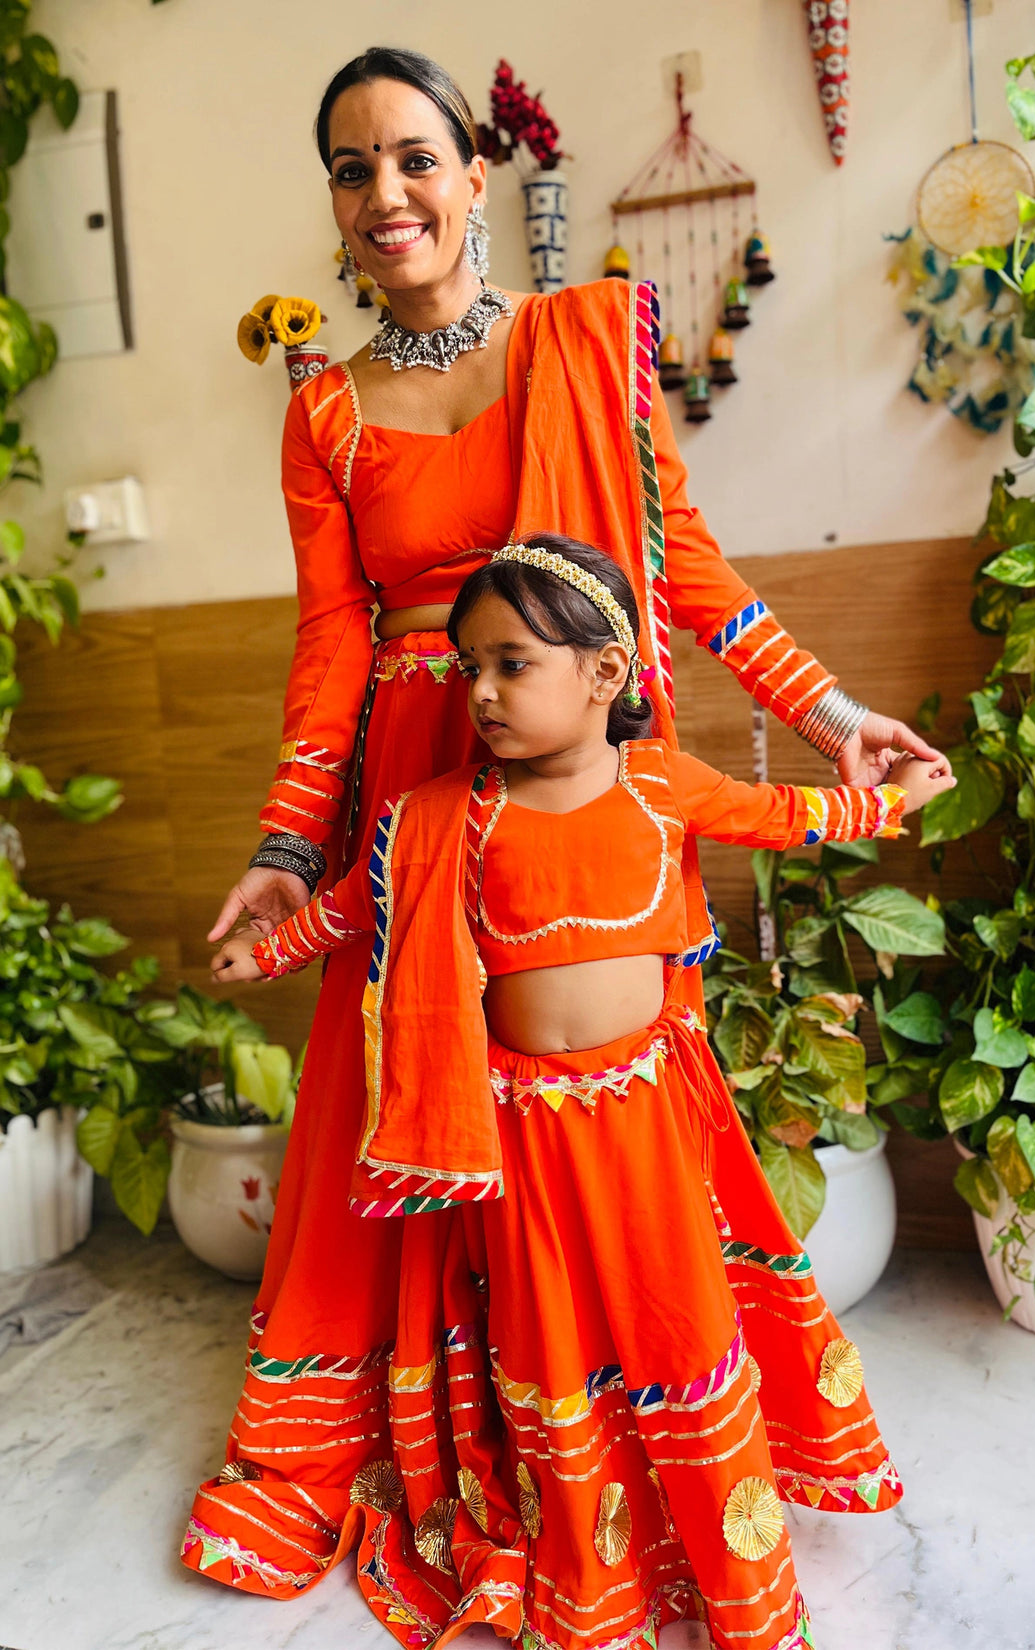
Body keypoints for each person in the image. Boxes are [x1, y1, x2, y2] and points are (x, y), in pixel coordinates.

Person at [184, 40, 946, 1636]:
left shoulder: (582, 344)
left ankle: (630, 1432)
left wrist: (830, 720)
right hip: (412, 801)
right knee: (419, 1121)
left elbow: (684, 568)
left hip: (575, 787)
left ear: (474, 173)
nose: (384, 192)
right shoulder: (321, 412)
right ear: (333, 203)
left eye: (411, 157)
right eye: (350, 167)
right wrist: (287, 843)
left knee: (608, 1132)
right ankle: (482, 1434)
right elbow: (334, 648)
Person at [206, 538, 953, 1650]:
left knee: (677, 1328)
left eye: (512, 664)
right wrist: (265, 954)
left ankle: (737, 1583)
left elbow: (779, 816)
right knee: (550, 1344)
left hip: (645, 1119)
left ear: (605, 674)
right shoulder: (438, 817)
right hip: (516, 1139)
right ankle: (590, 1579)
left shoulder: (656, 784)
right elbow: (357, 907)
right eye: (467, 669)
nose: (483, 694)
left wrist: (889, 799)